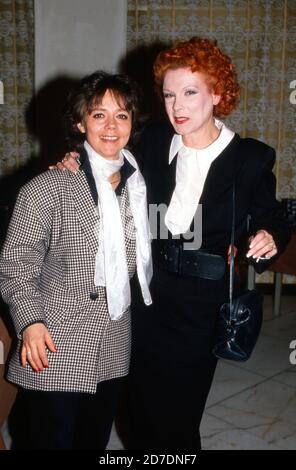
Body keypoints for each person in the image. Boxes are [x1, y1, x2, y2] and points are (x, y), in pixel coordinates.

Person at [55, 38, 291, 449]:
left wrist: (269, 236)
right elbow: (108, 154)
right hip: (146, 290)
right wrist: (73, 159)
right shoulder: (155, 140)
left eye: (190, 93)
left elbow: (272, 216)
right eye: (168, 94)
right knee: (135, 408)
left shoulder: (249, 158)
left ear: (218, 94)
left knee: (177, 416)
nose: (177, 106)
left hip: (200, 305)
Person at [0, 71, 152, 450]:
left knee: (93, 441)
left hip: (114, 340)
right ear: (80, 122)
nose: (111, 126)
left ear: (133, 123)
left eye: (122, 115)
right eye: (99, 114)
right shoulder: (47, 187)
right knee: (52, 441)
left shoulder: (140, 186)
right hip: (55, 339)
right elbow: (16, 264)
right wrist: (30, 322)